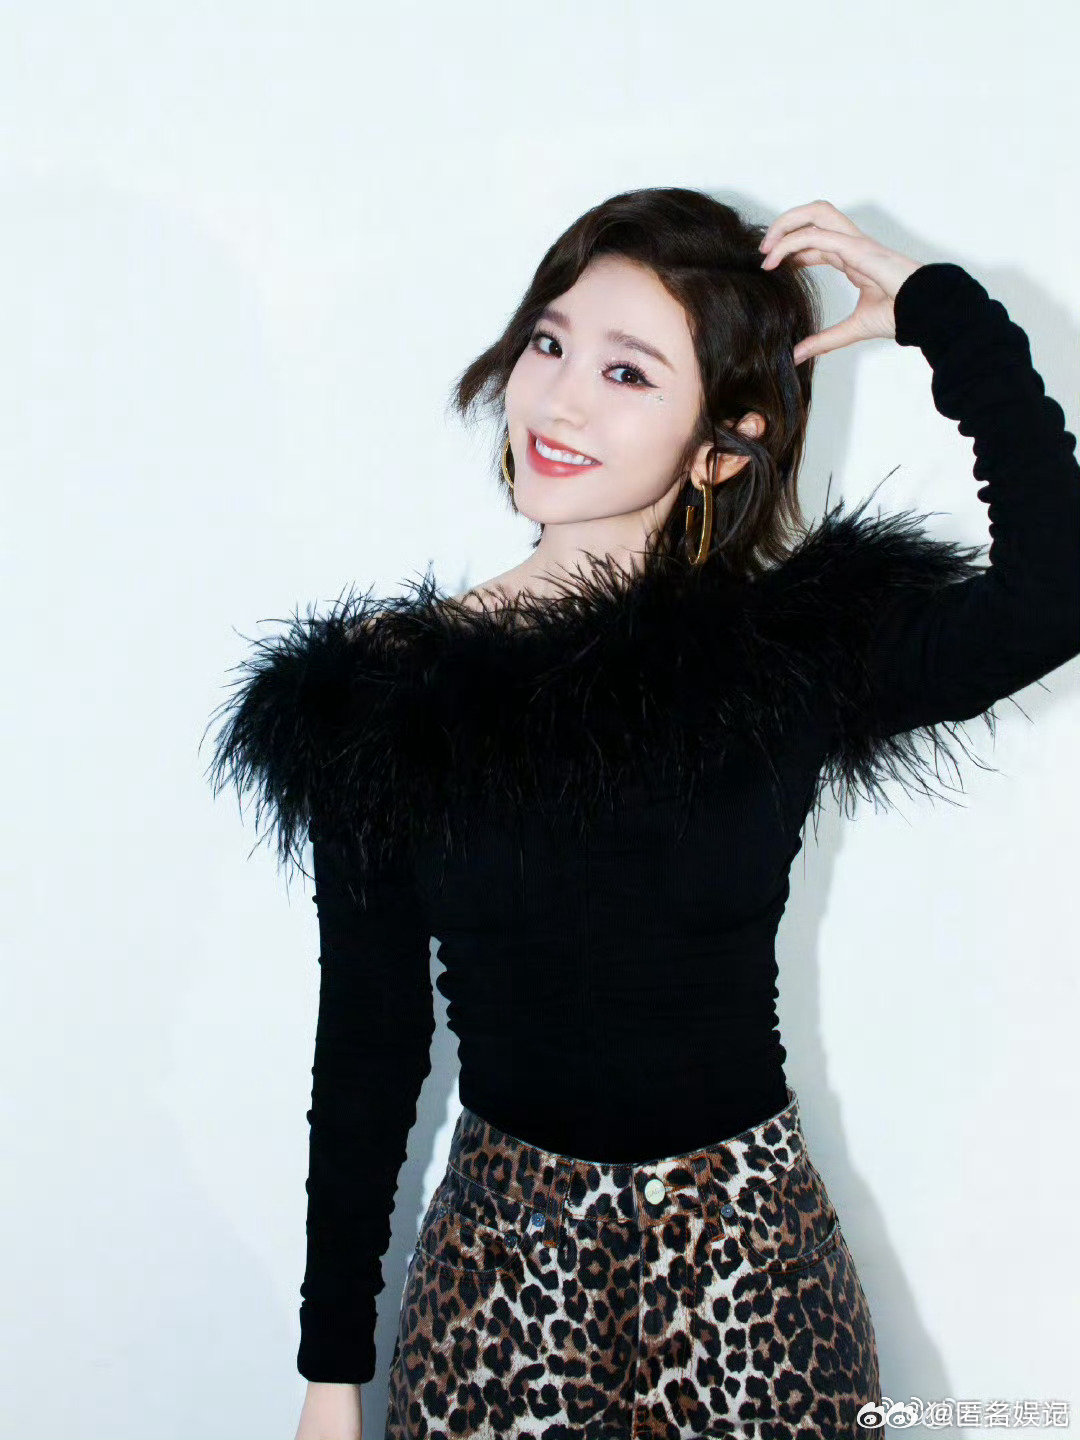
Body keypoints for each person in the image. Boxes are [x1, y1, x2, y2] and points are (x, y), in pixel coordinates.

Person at [203, 191, 1080, 1440]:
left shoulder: (785, 657)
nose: (559, 401)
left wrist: (945, 314)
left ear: (722, 446)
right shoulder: (389, 694)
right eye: (548, 343)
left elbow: (1056, 595)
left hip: (758, 1285)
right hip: (498, 1297)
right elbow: (370, 1039)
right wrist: (329, 1372)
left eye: (627, 372)